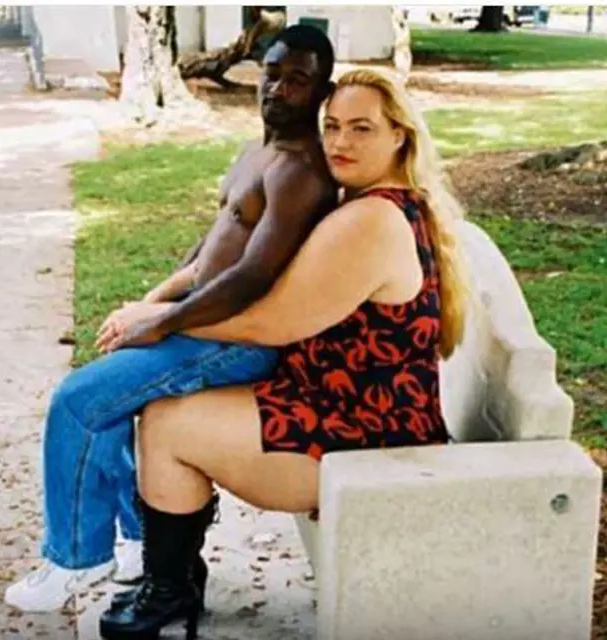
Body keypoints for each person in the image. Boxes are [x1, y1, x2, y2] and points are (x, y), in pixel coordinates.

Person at [97, 68, 469, 640]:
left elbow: (270, 322)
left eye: (362, 128)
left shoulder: (370, 219)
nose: (340, 142)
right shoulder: (374, 203)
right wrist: (167, 304)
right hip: (340, 403)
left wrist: (159, 321)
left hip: (364, 432)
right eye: (332, 126)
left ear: (400, 136)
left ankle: (170, 588)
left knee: (168, 427)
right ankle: (175, 574)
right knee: (168, 410)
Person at [4, 24, 338, 613]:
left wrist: (161, 322)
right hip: (203, 320)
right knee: (110, 395)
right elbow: (214, 246)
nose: (278, 90)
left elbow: (251, 276)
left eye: (297, 81)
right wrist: (155, 299)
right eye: (272, 73)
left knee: (80, 401)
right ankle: (139, 544)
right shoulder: (259, 152)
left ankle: (75, 561)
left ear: (320, 91)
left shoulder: (300, 171)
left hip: (239, 336)